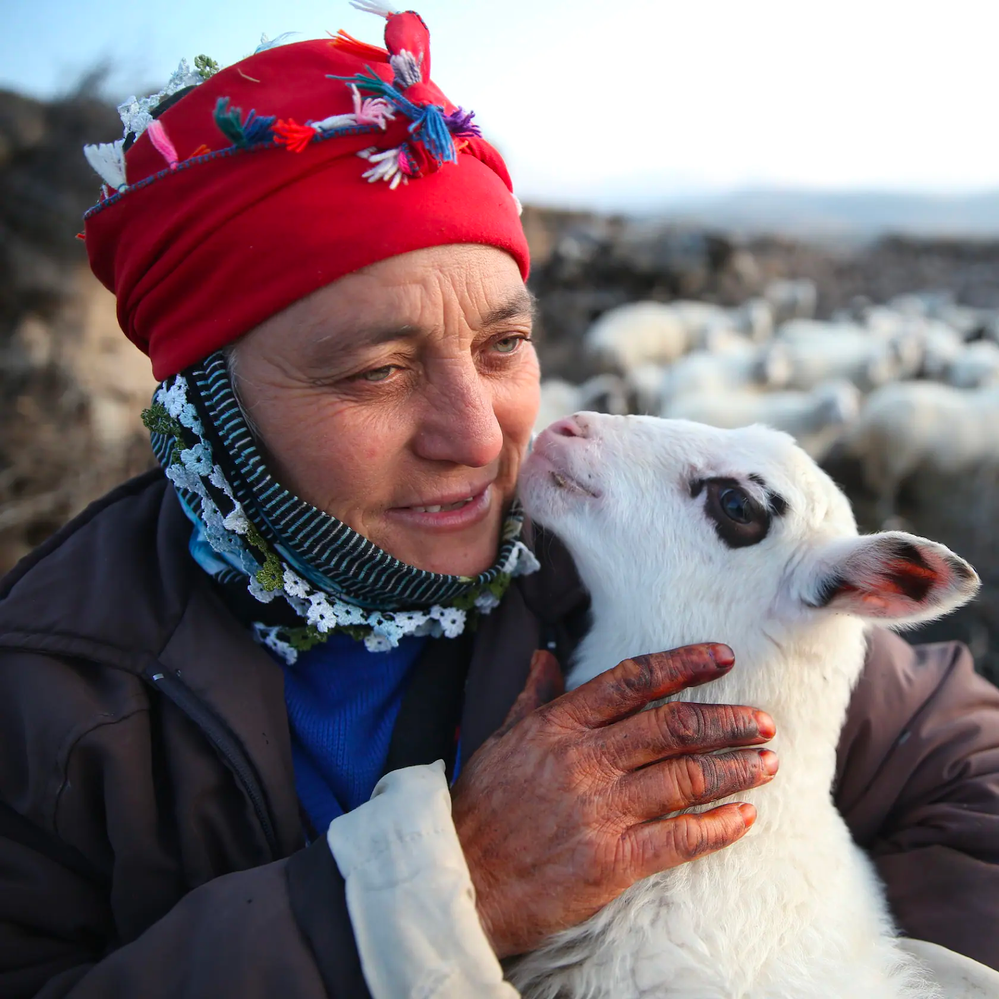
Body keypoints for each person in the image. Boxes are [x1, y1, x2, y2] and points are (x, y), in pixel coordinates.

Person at [1, 6, 998, 998]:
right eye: (376, 370)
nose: (479, 437)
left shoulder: (641, 585)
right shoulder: (56, 699)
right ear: (212, 403)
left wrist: (839, 965)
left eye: (503, 345)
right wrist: (445, 896)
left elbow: (966, 771)